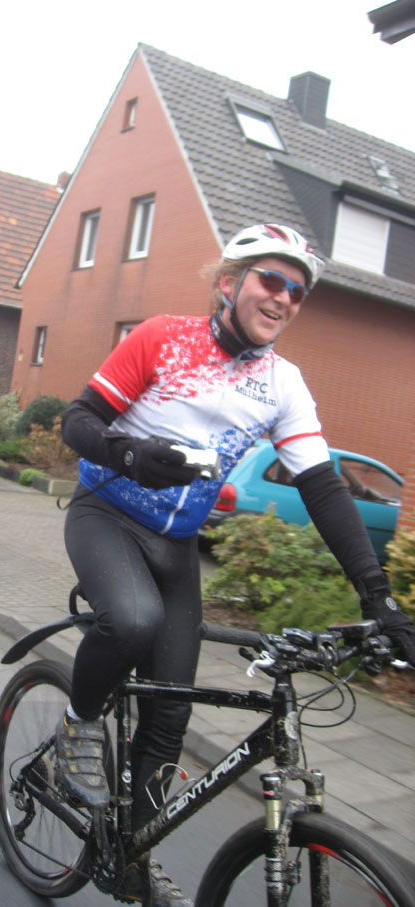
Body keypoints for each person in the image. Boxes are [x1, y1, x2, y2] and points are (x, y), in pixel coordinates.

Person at [56, 223, 415, 906]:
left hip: (177, 546)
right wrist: (131, 454)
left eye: (297, 291)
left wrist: (378, 595)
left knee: (171, 715)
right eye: (271, 280)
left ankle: (134, 858)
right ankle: (79, 719)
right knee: (132, 619)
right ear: (230, 282)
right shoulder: (163, 338)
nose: (284, 298)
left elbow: (323, 488)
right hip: (107, 513)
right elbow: (79, 420)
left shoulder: (283, 384)